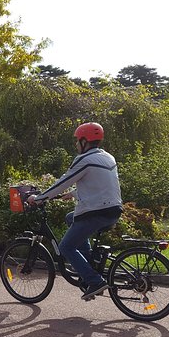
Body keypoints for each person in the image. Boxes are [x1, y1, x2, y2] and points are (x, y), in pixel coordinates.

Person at [27, 122, 123, 301]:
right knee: (71, 217)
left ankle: (94, 281)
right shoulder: (108, 157)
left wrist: (39, 198)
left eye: (77, 141)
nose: (76, 144)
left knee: (66, 247)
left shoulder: (84, 159)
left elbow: (64, 181)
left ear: (85, 141)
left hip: (96, 212)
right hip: (114, 210)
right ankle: (88, 264)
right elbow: (100, 185)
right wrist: (73, 194)